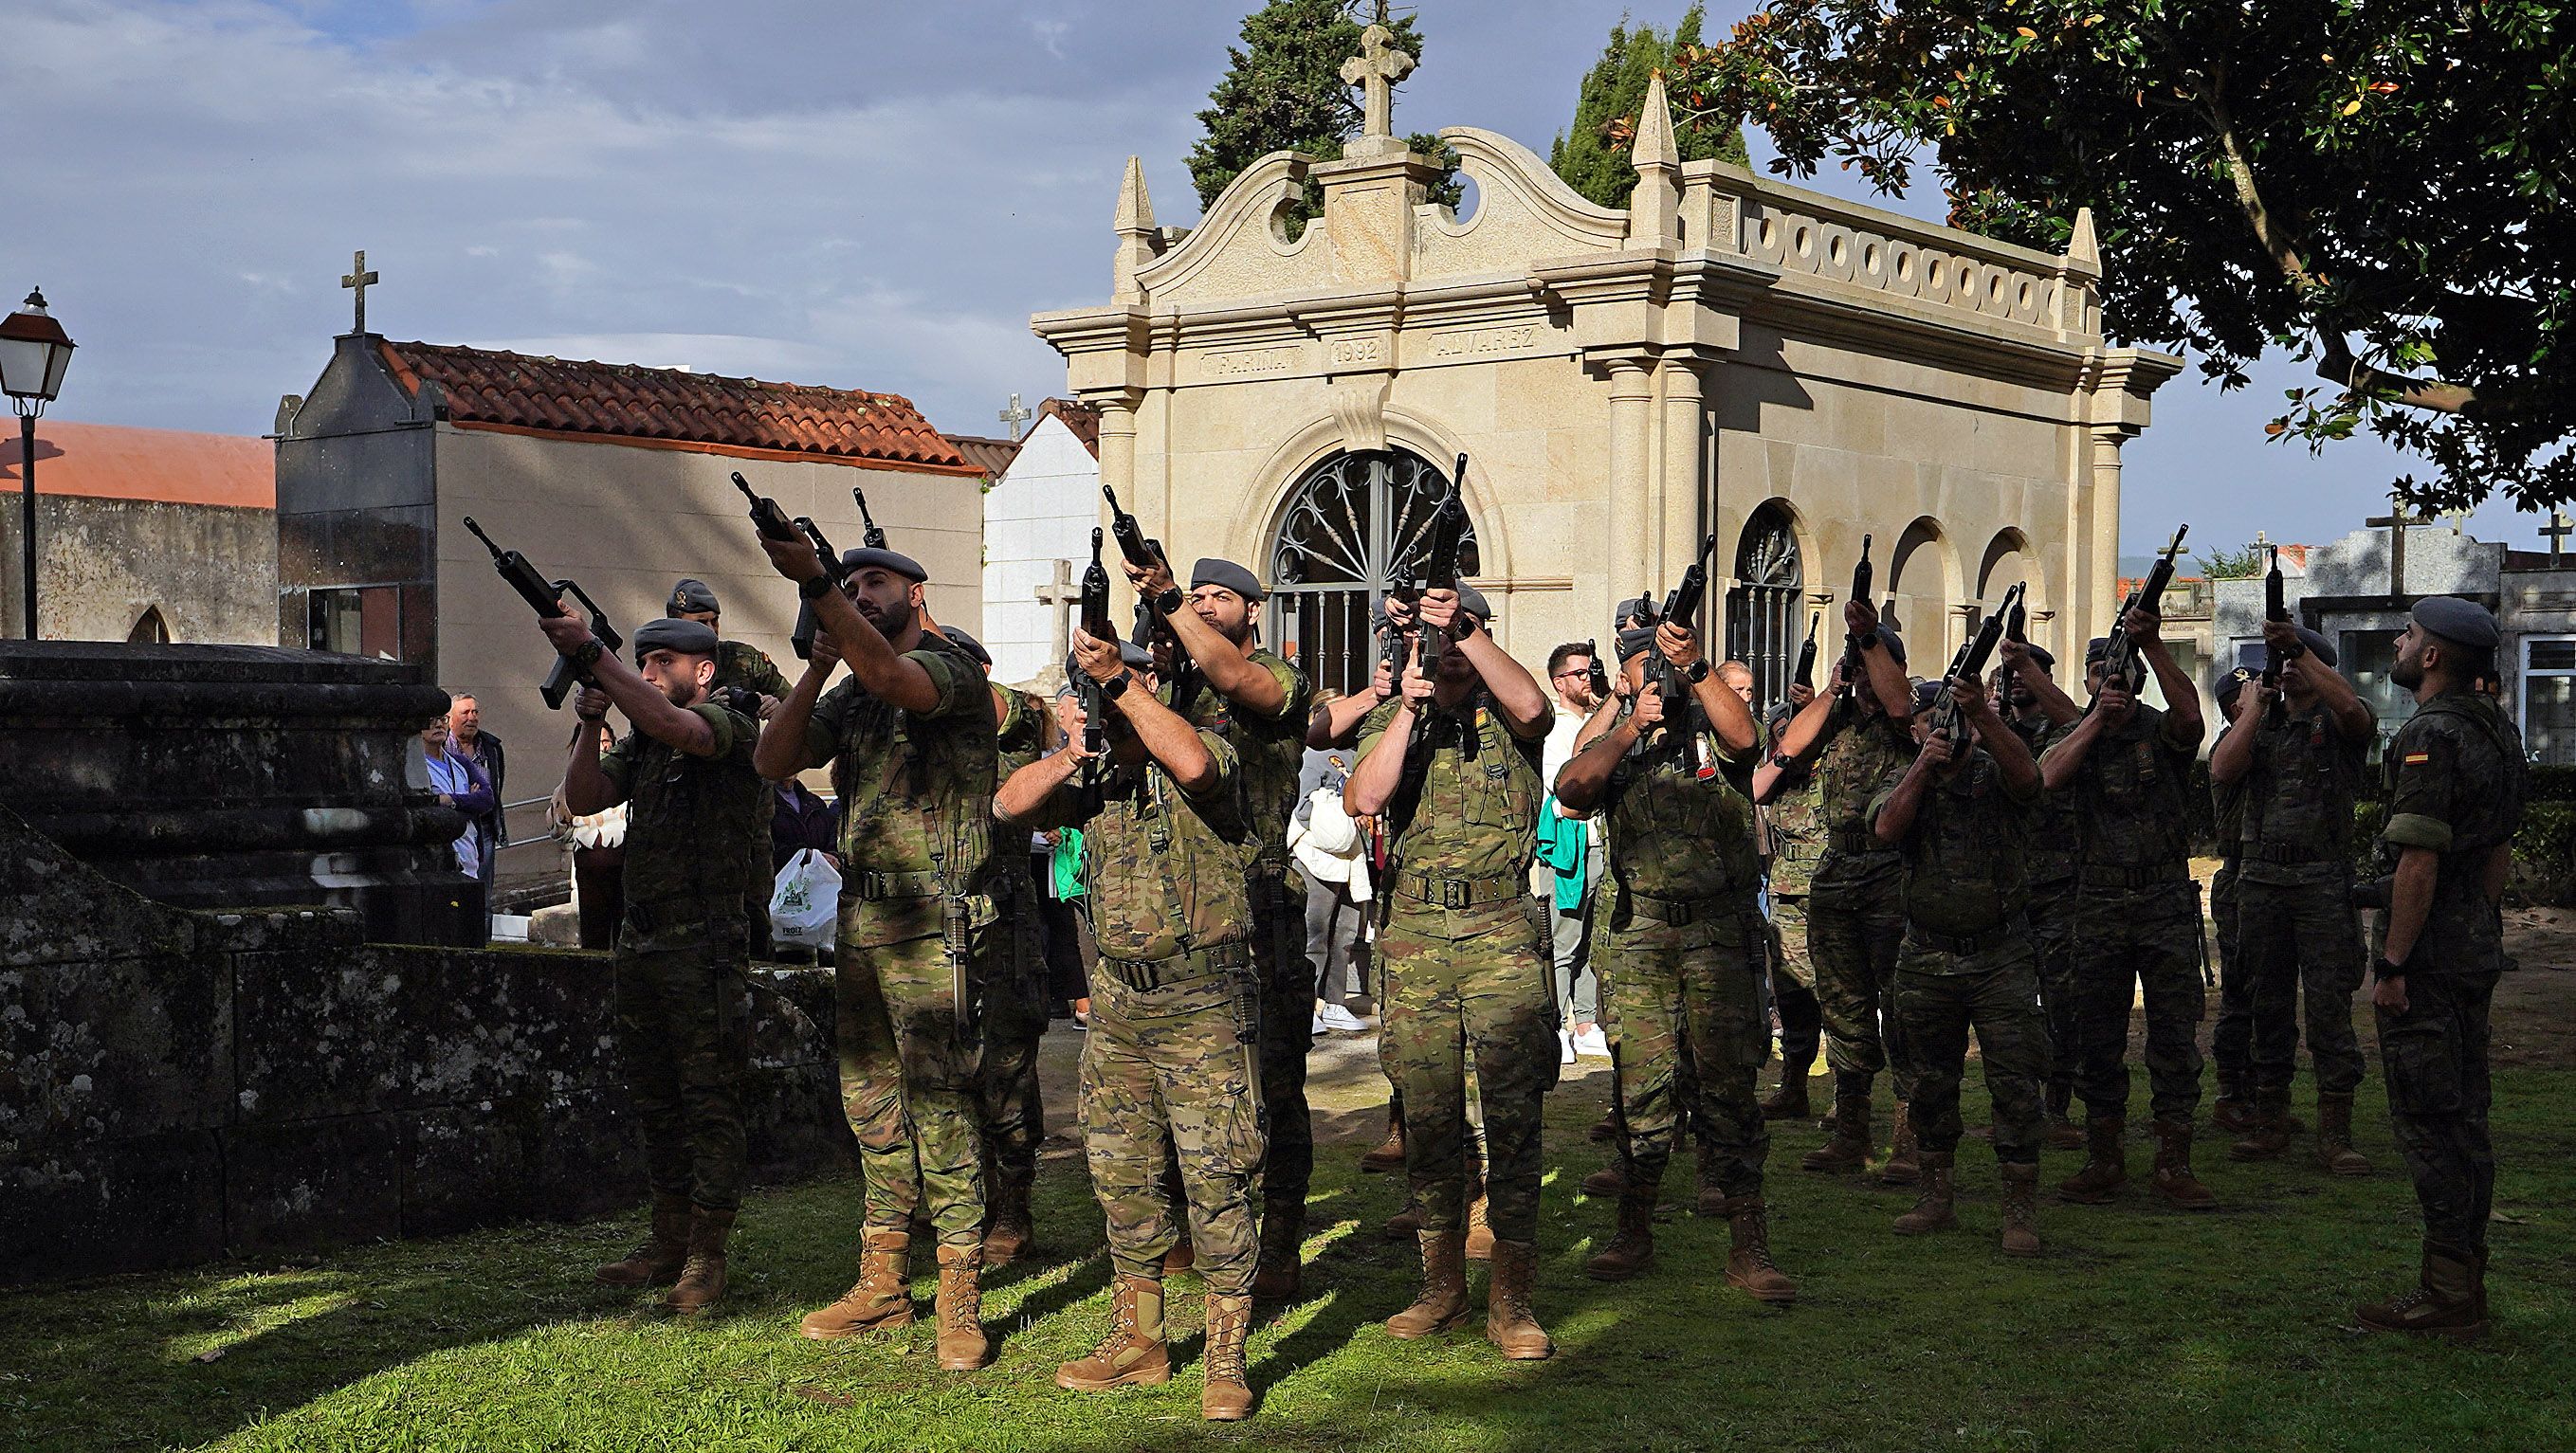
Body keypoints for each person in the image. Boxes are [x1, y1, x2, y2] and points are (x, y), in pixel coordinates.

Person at [999, 628, 1265, 1421]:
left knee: (1218, 1177)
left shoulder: (1207, 753)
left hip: (1203, 1003)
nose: (1111, 705)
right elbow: (1007, 805)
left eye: (1127, 689)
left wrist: (1122, 685)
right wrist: (1070, 753)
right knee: (1123, 1178)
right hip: (1119, 1007)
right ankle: (1141, 1340)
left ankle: (1226, 1351)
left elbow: (1189, 763)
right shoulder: (1096, 779)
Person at [753, 538, 1003, 1371]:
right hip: (861, 919)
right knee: (870, 1102)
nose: (861, 594)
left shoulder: (951, 671)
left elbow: (900, 681)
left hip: (935, 920)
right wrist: (818, 669)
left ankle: (960, 1291)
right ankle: (883, 1280)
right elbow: (773, 758)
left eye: (875, 582)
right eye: (851, 582)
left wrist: (818, 586)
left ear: (915, 591)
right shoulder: (853, 689)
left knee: (940, 1103)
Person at [1343, 582, 1557, 1361]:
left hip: (1501, 928)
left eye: (1452, 635)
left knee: (1513, 1115)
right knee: (1429, 1117)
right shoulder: (1392, 713)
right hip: (1417, 935)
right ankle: (1440, 1285)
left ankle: (1512, 1298)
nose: (1438, 646)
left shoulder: (1506, 711)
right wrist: (1407, 704)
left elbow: (1536, 709)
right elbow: (1362, 796)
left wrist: (1463, 631)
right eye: (1429, 634)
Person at [1554, 617, 1795, 1300]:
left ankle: (1749, 1244)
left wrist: (1694, 668)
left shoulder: (1713, 728)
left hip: (1717, 934)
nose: (1651, 674)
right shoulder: (1617, 738)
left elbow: (1748, 736)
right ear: (1622, 676)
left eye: (1657, 664)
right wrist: (1631, 724)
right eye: (1638, 664)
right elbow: (1572, 791)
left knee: (1728, 1090)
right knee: (1642, 1090)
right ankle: (1633, 1227)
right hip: (1641, 938)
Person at [544, 616, 764, 1315]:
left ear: (703, 670)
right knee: (656, 1099)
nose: (646, 672)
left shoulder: (730, 722)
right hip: (643, 942)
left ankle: (706, 1255)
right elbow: (583, 799)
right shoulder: (643, 738)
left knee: (709, 1100)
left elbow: (684, 731)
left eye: (661, 660)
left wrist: (593, 656)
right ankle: (666, 1240)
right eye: (639, 661)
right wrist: (589, 722)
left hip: (705, 943)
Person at [1120, 552, 1318, 1302]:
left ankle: (1281, 1242)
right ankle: (1181, 1230)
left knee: (1273, 1080)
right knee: (1176, 1082)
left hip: (1259, 905)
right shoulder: (1169, 680)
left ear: (1252, 610)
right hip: (1177, 911)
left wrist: (1168, 598)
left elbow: (1237, 682)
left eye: (1217, 597)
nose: (1202, 606)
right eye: (1194, 596)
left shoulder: (1275, 676)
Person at [2356, 596, 2526, 1338]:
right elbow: (2494, 851)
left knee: (2429, 1120)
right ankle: (2465, 1282)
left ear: (2430, 656)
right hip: (2469, 952)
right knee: (2466, 1116)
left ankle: (2447, 1293)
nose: (2397, 642)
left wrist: (2393, 961)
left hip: (2426, 962)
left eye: (2407, 634)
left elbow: (2417, 859)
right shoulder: (2496, 729)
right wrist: (2478, 928)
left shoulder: (2430, 733)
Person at [2038, 607, 2214, 1210]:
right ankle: (2103, 1157)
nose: (2109, 684)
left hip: (2162, 895)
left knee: (2172, 1033)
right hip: (2099, 899)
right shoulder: (2076, 735)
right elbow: (2047, 779)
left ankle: (2173, 1160)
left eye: (2118, 675)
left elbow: (2192, 719)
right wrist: (2092, 724)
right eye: (2097, 675)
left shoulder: (2158, 731)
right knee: (2096, 1033)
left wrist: (2154, 646)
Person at [1870, 673, 2048, 1254]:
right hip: (1926, 955)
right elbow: (1886, 828)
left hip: (1999, 954)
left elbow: (2031, 780)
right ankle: (1935, 1191)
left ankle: (2018, 1205)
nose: (1942, 726)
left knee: (2015, 1080)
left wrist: (1985, 719)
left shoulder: (1994, 771)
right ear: (1915, 727)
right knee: (1929, 1082)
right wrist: (1924, 765)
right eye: (1930, 719)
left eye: (1950, 717)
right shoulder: (1904, 779)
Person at [1755, 598, 1919, 1184]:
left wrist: (1872, 645)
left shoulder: (1912, 720)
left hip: (1891, 875)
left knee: (1900, 1010)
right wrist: (1828, 695)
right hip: (1835, 873)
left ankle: (1910, 1136)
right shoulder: (1835, 722)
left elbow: (1901, 705)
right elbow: (1776, 765)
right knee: (1844, 1009)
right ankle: (1852, 1130)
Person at [2209, 623, 2374, 1172]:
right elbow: (2222, 768)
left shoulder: (2339, 720)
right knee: (2265, 1005)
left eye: (2291, 661)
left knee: (2329, 1009)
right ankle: (2270, 1120)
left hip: (2323, 880)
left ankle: (2336, 1132)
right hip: (2262, 881)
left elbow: (2355, 715)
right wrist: (2256, 706)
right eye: (2277, 661)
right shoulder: (2261, 722)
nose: (2282, 669)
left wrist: (2305, 655)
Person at [943, 622, 1056, 1266]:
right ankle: (961, 1203)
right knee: (946, 1070)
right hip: (940, 927)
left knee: (1007, 1071)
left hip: (1004, 933)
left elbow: (1002, 810)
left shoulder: (1012, 738)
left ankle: (1013, 1207)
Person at [668, 577, 790, 959]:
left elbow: (800, 705)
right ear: (675, 620)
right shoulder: (664, 664)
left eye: (714, 622)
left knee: (753, 895)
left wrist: (776, 707)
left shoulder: (743, 659)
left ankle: (758, 969)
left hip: (749, 796)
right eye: (699, 621)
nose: (709, 631)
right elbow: (655, 721)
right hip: (689, 797)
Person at [1996, 638, 2086, 1149]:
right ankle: (2016, 1103)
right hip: (2005, 889)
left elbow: (2078, 723)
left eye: (2025, 682)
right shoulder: (1995, 730)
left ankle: (2058, 1106)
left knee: (2060, 999)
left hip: (2056, 885)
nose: (2014, 691)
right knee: (2008, 1006)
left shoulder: (2061, 730)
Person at [1758, 688, 1827, 1121]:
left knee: (1837, 997)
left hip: (1830, 895)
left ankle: (1846, 1096)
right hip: (1787, 897)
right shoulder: (1777, 779)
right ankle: (1794, 1087)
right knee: (1792, 997)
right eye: (1782, 734)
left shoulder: (1831, 774)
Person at [1540, 642, 1609, 1063]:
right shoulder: (1554, 727)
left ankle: (1585, 1023)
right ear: (1559, 681)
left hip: (1598, 843)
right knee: (1563, 941)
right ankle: (1556, 1025)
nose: (1588, 680)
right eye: (1580, 673)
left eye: (1590, 672)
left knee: (1589, 942)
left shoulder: (1596, 721)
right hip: (1570, 847)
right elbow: (1560, 790)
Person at [2205, 668, 2261, 1137]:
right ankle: (2231, 1091)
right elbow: (2228, 767)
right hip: (2240, 877)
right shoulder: (2232, 744)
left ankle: (2262, 1091)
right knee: (2240, 992)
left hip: (2269, 878)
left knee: (2271, 993)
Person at [1290, 743, 1374, 1030]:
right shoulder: (1311, 756)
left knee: (1347, 933)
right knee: (1315, 934)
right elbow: (1303, 808)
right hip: (1317, 856)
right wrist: (1345, 812)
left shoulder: (1357, 754)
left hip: (1353, 857)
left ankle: (1335, 1004)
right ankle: (1308, 1005)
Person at [422, 712, 496, 886]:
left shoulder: (460, 762)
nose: (439, 725)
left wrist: (450, 800)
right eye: (431, 721)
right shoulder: (417, 769)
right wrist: (469, 800)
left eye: (442, 720)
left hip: (470, 857)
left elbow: (487, 799)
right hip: (441, 862)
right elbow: (430, 810)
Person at [447, 693, 506, 901]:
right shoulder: (442, 748)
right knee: (455, 895)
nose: (472, 718)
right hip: (454, 829)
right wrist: (469, 799)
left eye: (475, 712)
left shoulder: (491, 747)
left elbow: (490, 794)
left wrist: (475, 798)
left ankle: (484, 935)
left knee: (483, 896)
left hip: (485, 827)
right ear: (450, 718)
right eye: (465, 713)